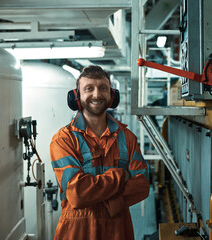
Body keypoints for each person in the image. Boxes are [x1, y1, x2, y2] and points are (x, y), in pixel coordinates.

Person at [50, 65, 150, 240]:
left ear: (112, 96)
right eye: (89, 89)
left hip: (118, 231)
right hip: (78, 231)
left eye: (103, 88)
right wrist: (120, 175)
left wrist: (108, 200)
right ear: (77, 97)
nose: (96, 95)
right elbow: (78, 194)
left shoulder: (127, 138)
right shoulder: (63, 139)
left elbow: (141, 185)